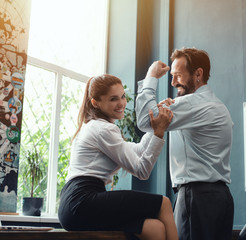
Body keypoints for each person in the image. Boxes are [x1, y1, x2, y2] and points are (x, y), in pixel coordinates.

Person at [58, 74, 178, 240]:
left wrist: (156, 123)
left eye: (122, 96)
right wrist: (159, 132)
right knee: (163, 203)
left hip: (72, 205)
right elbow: (142, 170)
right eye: (113, 99)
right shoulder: (103, 129)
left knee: (154, 228)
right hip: (83, 200)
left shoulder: (97, 127)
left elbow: (139, 150)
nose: (121, 103)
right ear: (95, 103)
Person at [135, 48, 234, 240]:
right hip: (221, 199)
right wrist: (164, 109)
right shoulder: (216, 105)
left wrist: (150, 76)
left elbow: (144, 121)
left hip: (196, 198)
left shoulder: (192, 104)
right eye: (171, 76)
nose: (173, 82)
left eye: (178, 75)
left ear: (198, 74)